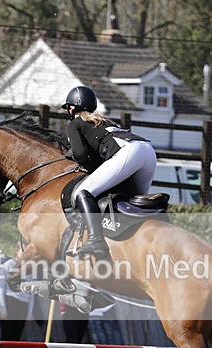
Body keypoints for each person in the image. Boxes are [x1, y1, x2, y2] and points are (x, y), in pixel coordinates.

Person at [61, 85, 157, 258]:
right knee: (133, 204)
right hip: (148, 151)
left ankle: (96, 240)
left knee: (83, 192)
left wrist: (72, 155)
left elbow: (81, 155)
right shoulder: (104, 121)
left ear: (72, 107)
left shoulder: (75, 124)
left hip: (130, 153)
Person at [0, 247, 35, 348]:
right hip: (10, 301)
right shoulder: (8, 265)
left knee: (16, 338)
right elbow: (0, 287)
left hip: (23, 304)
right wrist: (2, 308)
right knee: (5, 336)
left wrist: (30, 312)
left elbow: (32, 292)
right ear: (16, 251)